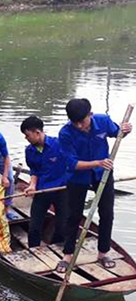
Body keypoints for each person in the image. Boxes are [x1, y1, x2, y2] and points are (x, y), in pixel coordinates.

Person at [57, 98, 132, 273]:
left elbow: (117, 132)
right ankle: (67, 254)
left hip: (103, 174)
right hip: (78, 177)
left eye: (82, 121)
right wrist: (97, 162)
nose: (79, 126)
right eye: (75, 122)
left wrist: (126, 130)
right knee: (73, 215)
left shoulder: (103, 121)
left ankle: (103, 252)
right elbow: (72, 163)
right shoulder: (66, 133)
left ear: (90, 114)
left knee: (107, 213)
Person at [21, 116, 69, 248]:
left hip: (62, 190)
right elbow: (34, 171)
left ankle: (58, 251)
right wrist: (32, 185)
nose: (26, 138)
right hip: (42, 191)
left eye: (27, 135)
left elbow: (73, 163)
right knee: (34, 227)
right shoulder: (29, 151)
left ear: (37, 132)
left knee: (62, 226)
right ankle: (33, 251)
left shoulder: (59, 145)